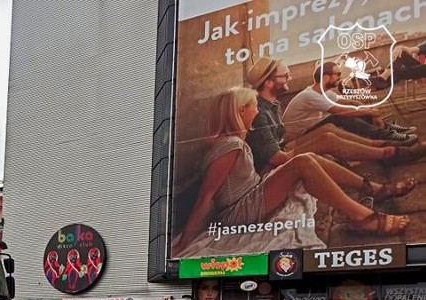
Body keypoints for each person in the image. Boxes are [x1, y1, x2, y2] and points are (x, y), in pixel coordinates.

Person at [174, 87, 414, 256]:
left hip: (250, 193)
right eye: (254, 107)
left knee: (308, 158)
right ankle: (362, 217)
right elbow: (205, 198)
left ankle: (375, 189)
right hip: (236, 213)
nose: (257, 112)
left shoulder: (233, 142)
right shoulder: (230, 145)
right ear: (241, 111)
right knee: (303, 163)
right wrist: (183, 244)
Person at [244, 57, 424, 176]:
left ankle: (388, 145)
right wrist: (312, 149)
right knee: (330, 130)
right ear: (269, 82)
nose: (290, 78)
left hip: (284, 146)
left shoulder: (272, 104)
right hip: (272, 165)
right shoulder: (259, 112)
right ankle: (389, 152)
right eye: (285, 76)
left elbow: (278, 140)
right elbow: (275, 158)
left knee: (329, 128)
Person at [282, 61, 416, 145]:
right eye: (337, 74)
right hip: (297, 140)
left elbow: (352, 103)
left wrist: (368, 110)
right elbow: (341, 111)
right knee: (339, 117)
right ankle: (385, 136)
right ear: (326, 77)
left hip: (310, 130)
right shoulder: (309, 95)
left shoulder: (323, 92)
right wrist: (371, 112)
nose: (340, 78)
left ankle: (387, 130)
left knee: (352, 111)